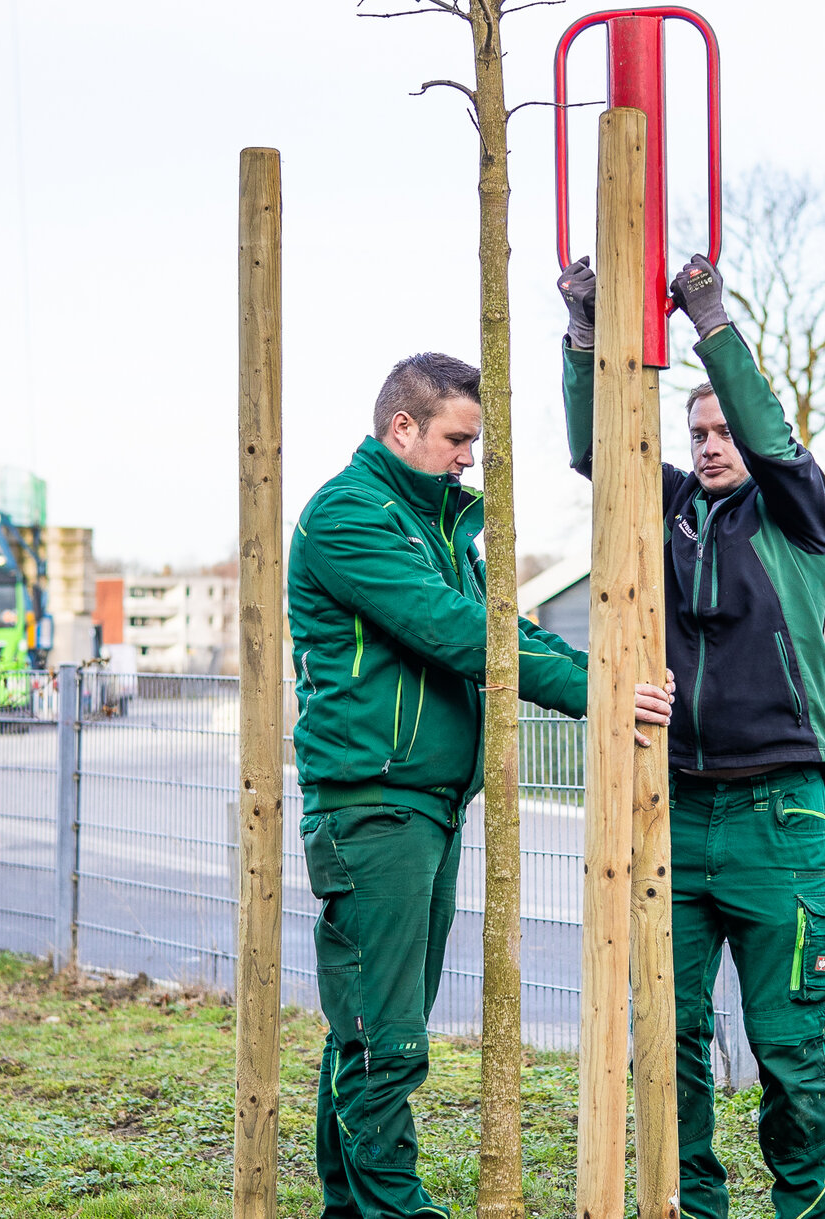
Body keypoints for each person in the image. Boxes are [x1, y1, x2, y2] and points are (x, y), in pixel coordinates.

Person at [288, 351, 674, 1219]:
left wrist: (604, 671)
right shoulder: (349, 516)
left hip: (423, 803)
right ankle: (397, 1208)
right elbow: (457, 630)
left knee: (366, 1023)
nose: (469, 456)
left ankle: (349, 1208)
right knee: (385, 1036)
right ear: (402, 427)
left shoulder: (438, 525)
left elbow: (506, 625)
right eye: (458, 438)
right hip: (373, 803)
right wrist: (597, 693)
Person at [557, 255, 825, 1218]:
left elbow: (771, 433)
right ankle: (693, 1205)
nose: (712, 444)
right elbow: (605, 453)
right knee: (668, 1034)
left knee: (788, 1046)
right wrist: (587, 339)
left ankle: (805, 1206)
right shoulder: (672, 513)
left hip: (778, 813)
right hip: (677, 813)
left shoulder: (794, 512)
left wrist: (713, 325)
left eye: (723, 429)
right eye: (698, 432)